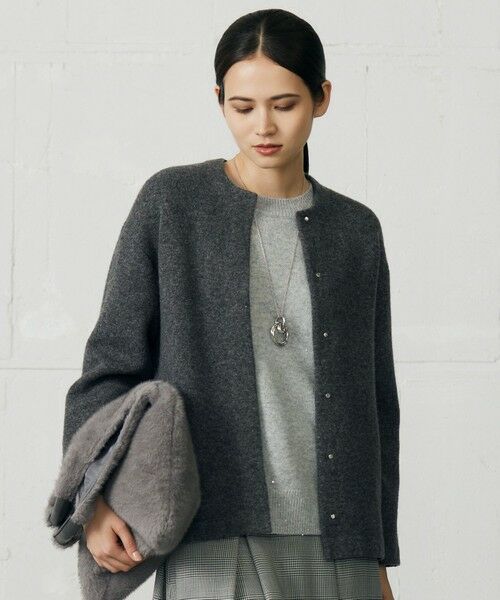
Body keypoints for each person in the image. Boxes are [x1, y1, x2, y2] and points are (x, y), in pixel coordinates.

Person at [67, 8, 399, 600]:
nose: (263, 126)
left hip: (340, 545)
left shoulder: (355, 230)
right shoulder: (173, 204)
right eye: (243, 107)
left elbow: (377, 403)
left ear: (322, 99)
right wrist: (93, 499)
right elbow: (109, 368)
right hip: (212, 539)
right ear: (219, 100)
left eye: (285, 104)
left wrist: (378, 558)